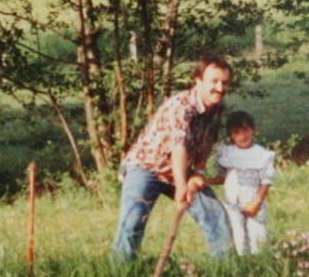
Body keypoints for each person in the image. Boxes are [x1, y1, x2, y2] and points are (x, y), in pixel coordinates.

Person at [111, 55, 234, 260]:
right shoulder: (181, 106)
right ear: (198, 80)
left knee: (215, 215)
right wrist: (181, 186)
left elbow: (207, 140)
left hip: (180, 171)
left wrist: (198, 173)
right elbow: (179, 147)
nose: (220, 88)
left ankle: (227, 272)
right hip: (146, 167)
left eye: (225, 82)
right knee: (132, 221)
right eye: (214, 81)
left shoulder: (216, 107)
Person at [210, 110, 276, 254]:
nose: (242, 136)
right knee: (237, 234)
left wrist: (256, 203)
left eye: (246, 130)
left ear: (253, 130)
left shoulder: (260, 154)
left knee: (257, 236)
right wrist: (206, 181)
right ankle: (242, 262)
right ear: (231, 135)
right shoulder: (227, 153)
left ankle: (258, 263)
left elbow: (266, 181)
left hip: (254, 201)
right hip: (233, 202)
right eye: (237, 132)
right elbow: (222, 177)